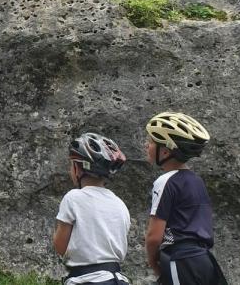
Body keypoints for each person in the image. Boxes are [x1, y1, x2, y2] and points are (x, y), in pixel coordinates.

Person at [144, 112, 228, 285]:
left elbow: (154, 236)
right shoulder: (196, 181)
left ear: (166, 151)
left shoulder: (165, 181)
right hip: (205, 260)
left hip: (181, 260)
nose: (147, 145)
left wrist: (153, 262)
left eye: (152, 141)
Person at [53, 132, 130, 285]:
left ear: (78, 168)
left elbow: (60, 246)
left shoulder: (73, 197)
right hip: (118, 279)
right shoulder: (120, 204)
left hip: (87, 280)